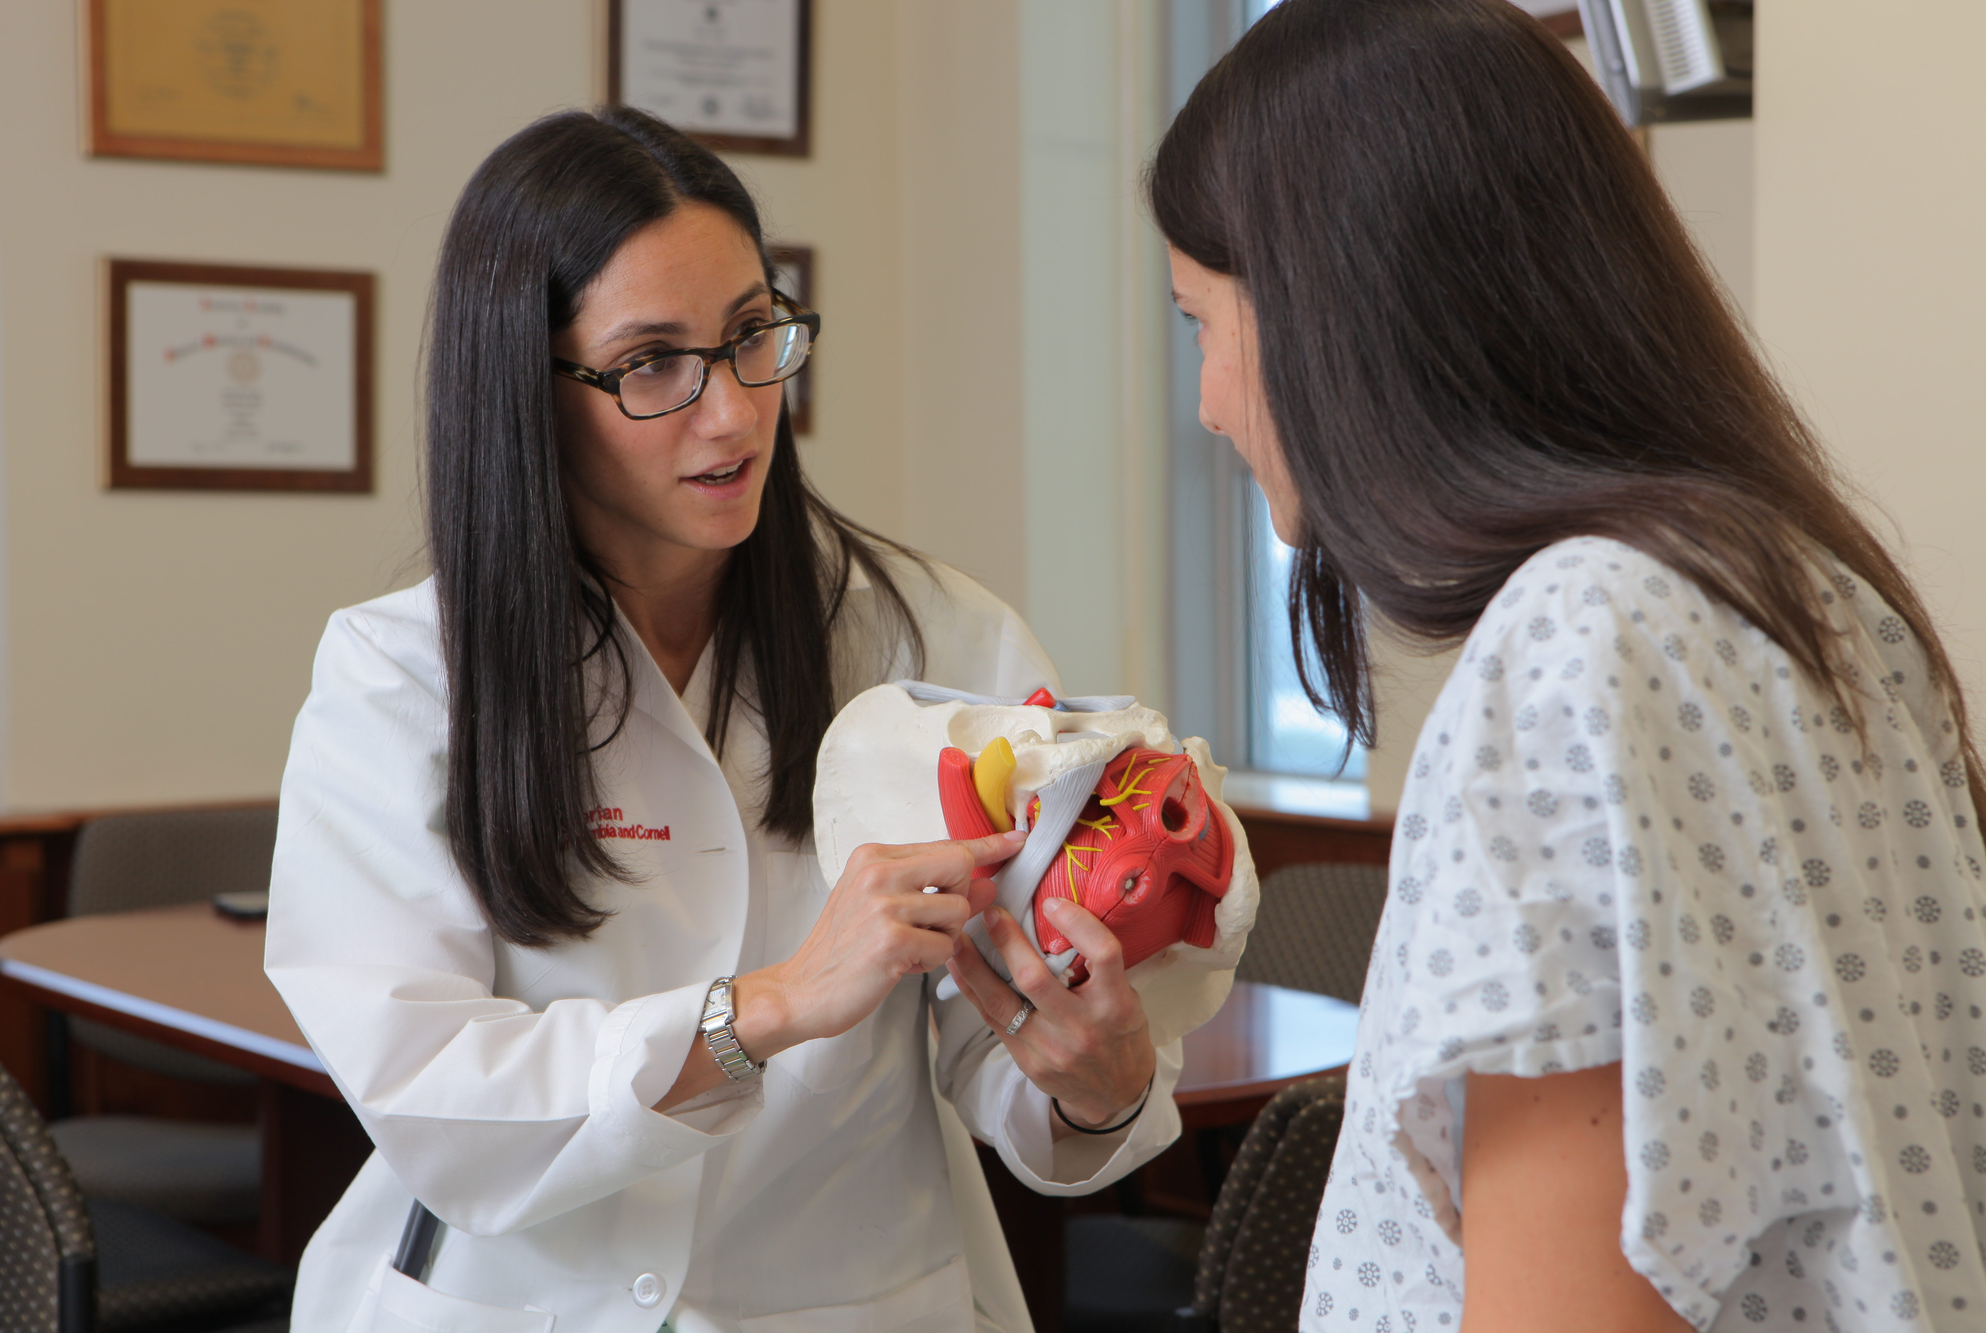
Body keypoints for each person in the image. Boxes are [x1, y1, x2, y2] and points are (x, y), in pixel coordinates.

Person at [264, 106, 1184, 1333]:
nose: (734, 413)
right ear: (524, 386)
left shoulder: (938, 649)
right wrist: (769, 1006)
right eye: (651, 362)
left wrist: (1096, 1089)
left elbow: (1002, 1059)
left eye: (752, 335)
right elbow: (431, 1088)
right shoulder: (402, 676)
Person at [1149, 1, 1986, 1330]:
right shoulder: (1808, 590)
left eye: (1201, 321)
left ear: (1333, 311)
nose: (1204, 400)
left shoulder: (1573, 647)